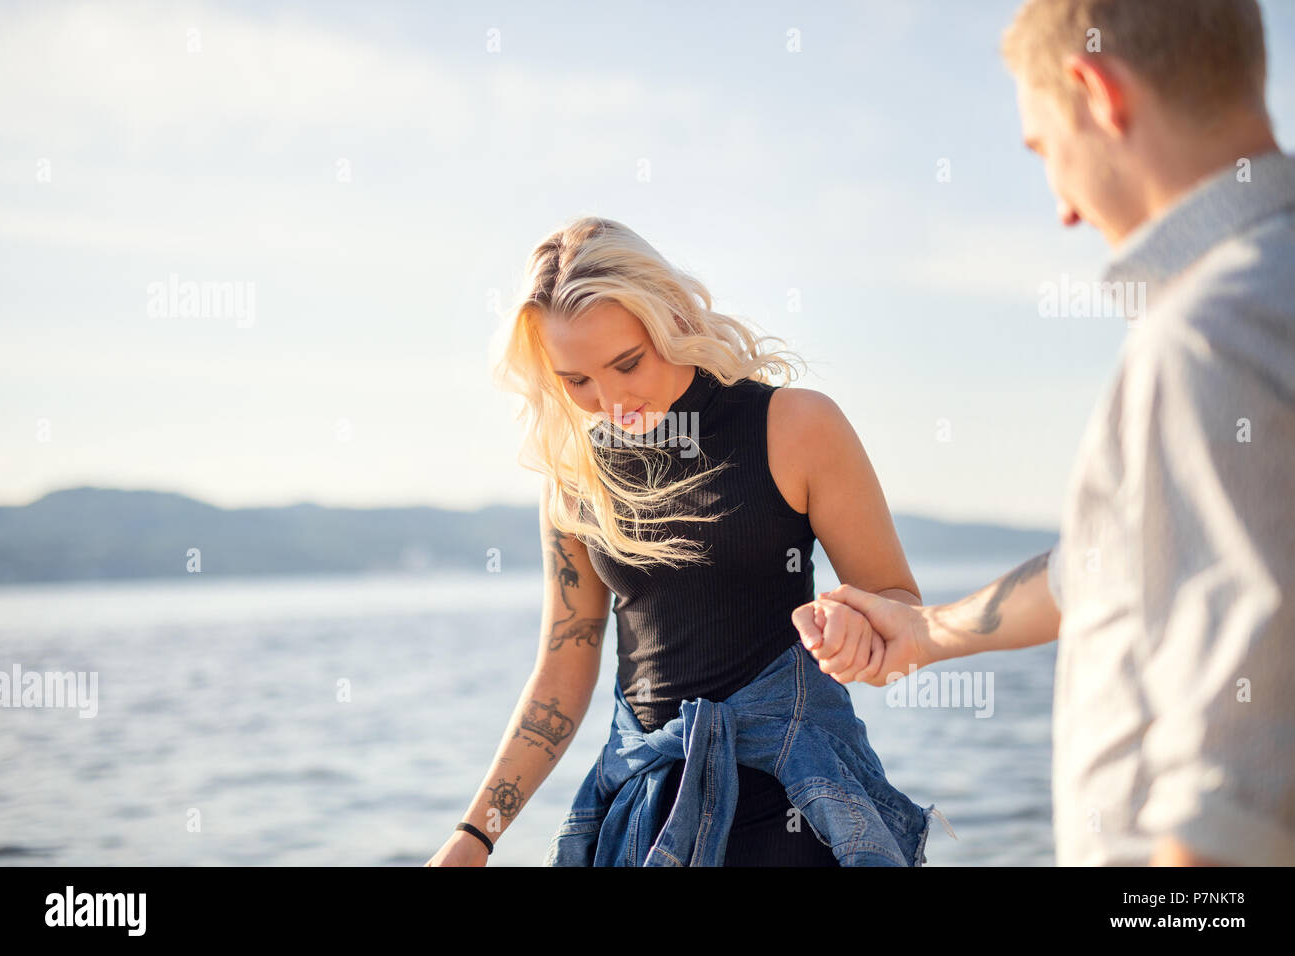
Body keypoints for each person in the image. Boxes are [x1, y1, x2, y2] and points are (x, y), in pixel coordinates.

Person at [795, 0, 1295, 866]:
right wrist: (926, 633)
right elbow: (1109, 565)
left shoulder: (1209, 335)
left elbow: (1241, 780)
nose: (1062, 209)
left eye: (1042, 151)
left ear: (1095, 91)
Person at [427, 216, 942, 866]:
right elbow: (562, 670)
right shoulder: (573, 472)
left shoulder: (796, 426)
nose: (612, 400)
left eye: (627, 363)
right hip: (641, 814)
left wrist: (854, 631)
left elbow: (902, 624)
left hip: (789, 810)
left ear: (669, 315)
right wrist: (476, 835)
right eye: (577, 381)